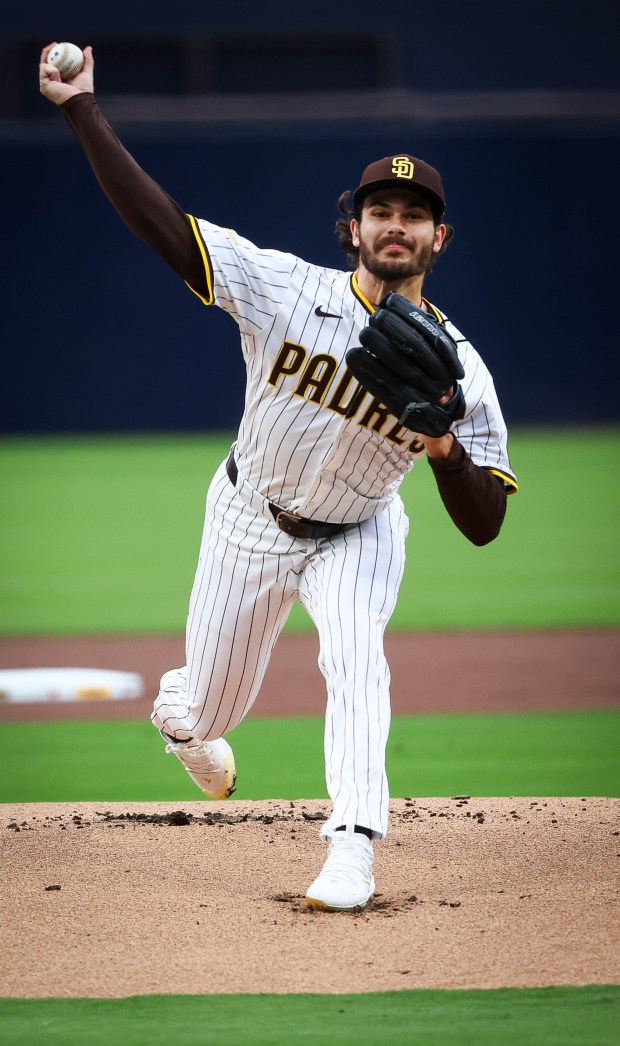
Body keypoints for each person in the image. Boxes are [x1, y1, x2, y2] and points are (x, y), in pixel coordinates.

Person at [39, 44, 517, 912]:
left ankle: (352, 851)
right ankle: (182, 715)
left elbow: (485, 522)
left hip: (361, 528)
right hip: (248, 518)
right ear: (354, 228)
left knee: (357, 659)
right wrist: (81, 110)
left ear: (438, 236)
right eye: (380, 209)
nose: (396, 224)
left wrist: (442, 444)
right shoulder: (285, 292)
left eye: (414, 212)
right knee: (209, 715)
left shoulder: (462, 371)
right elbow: (168, 229)